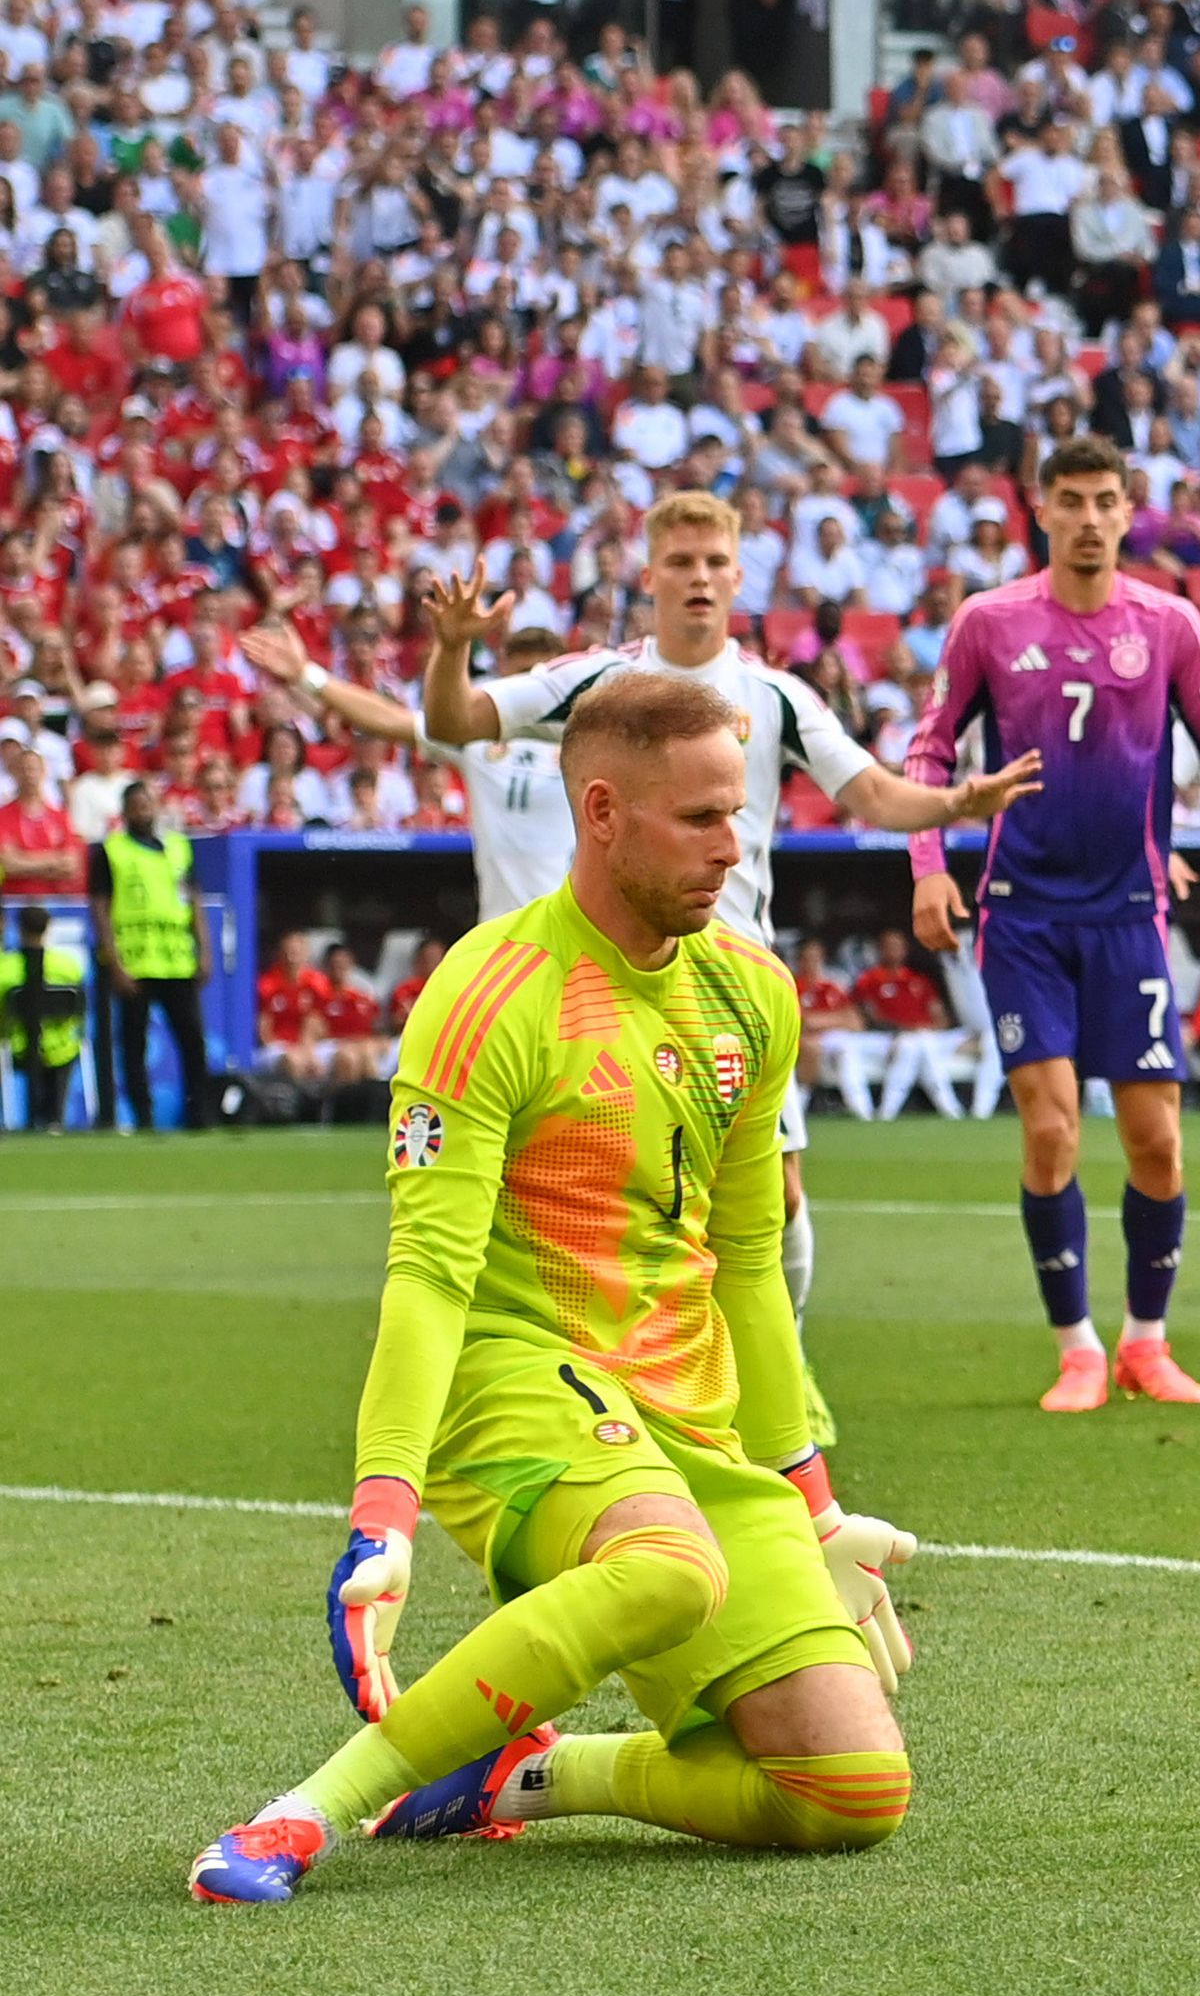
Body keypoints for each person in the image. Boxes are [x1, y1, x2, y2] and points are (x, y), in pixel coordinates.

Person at [189, 673, 921, 1904]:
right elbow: (426, 1275)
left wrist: (810, 1496)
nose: (731, 849)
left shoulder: (753, 992)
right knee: (669, 1569)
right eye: (699, 821)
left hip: (687, 1410)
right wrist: (385, 1514)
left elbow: (746, 1262)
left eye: (737, 815)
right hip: (516, 1372)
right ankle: (300, 1815)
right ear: (600, 812)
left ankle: (519, 1779)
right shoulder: (489, 996)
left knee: (847, 1788)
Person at [404, 493, 1040, 1397]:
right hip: (615, 980)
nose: (698, 577)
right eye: (681, 562)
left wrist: (953, 805)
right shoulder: (600, 684)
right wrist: (452, 645)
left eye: (714, 563)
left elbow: (868, 793)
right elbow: (458, 721)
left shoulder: (776, 695)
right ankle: (591, 1377)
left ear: (739, 577)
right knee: (604, 1191)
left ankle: (781, 1372)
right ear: (649, 574)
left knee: (775, 1201)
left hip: (735, 990)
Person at [910, 437, 1200, 1410]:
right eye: (1071, 501)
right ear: (1041, 511)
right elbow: (927, 751)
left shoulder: (1168, 624)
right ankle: (1077, 1346)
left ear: (1130, 514)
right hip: (1023, 914)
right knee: (1051, 1133)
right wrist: (928, 867)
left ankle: (1147, 1342)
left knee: (1158, 1142)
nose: (1089, 518)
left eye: (1106, 502)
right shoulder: (988, 622)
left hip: (1130, 913)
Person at [247, 620, 579, 922]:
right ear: (502, 672)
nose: (527, 686)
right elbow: (390, 718)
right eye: (519, 673)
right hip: (503, 937)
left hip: (575, 938)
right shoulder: (478, 739)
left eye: (538, 675)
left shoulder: (585, 740)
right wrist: (306, 674)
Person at [89, 776, 207, 1133]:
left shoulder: (178, 848)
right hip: (136, 962)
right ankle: (143, 1117)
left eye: (148, 804)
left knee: (192, 1041)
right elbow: (100, 908)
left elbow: (194, 901)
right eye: (137, 806)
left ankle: (200, 1115)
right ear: (125, 812)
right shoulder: (111, 851)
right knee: (133, 1045)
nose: (144, 811)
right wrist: (114, 961)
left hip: (176, 960)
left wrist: (205, 950)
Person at [3, 900, 83, 1128]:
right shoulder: (68, 966)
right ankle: (55, 1119)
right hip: (62, 1047)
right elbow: (77, 1010)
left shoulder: (5, 968)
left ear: (18, 928)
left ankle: (25, 1119)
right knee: (68, 1049)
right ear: (49, 927)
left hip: (17, 1049)